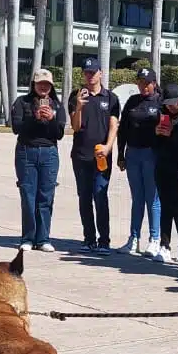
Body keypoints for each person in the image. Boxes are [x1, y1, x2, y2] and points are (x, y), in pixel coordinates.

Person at [10, 69, 67, 252]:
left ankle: (43, 239)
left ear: (51, 86)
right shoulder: (22, 102)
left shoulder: (57, 106)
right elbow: (17, 128)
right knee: (28, 196)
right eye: (40, 83)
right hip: (26, 152)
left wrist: (51, 119)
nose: (43, 87)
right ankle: (28, 237)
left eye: (47, 84)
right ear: (34, 85)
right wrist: (34, 119)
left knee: (46, 196)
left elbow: (58, 134)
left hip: (49, 153)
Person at [69, 57, 119, 255]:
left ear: (101, 73)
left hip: (101, 156)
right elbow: (75, 126)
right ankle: (88, 238)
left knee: (101, 196)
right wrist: (79, 106)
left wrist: (108, 147)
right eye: (87, 72)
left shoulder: (111, 98)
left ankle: (104, 241)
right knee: (84, 198)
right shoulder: (76, 96)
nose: (90, 76)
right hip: (81, 156)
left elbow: (114, 125)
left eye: (93, 72)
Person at [117, 68, 164, 256]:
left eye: (147, 82)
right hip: (133, 153)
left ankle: (154, 239)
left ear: (154, 83)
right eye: (141, 82)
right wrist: (121, 154)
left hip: (151, 154)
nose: (144, 86)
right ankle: (133, 239)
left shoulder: (160, 102)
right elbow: (123, 130)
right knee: (137, 198)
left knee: (153, 199)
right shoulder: (132, 101)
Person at [154, 83, 178, 264]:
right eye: (167, 103)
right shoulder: (161, 115)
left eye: (173, 103)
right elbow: (153, 144)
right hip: (162, 166)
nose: (170, 106)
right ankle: (164, 245)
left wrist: (174, 133)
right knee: (165, 207)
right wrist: (156, 133)